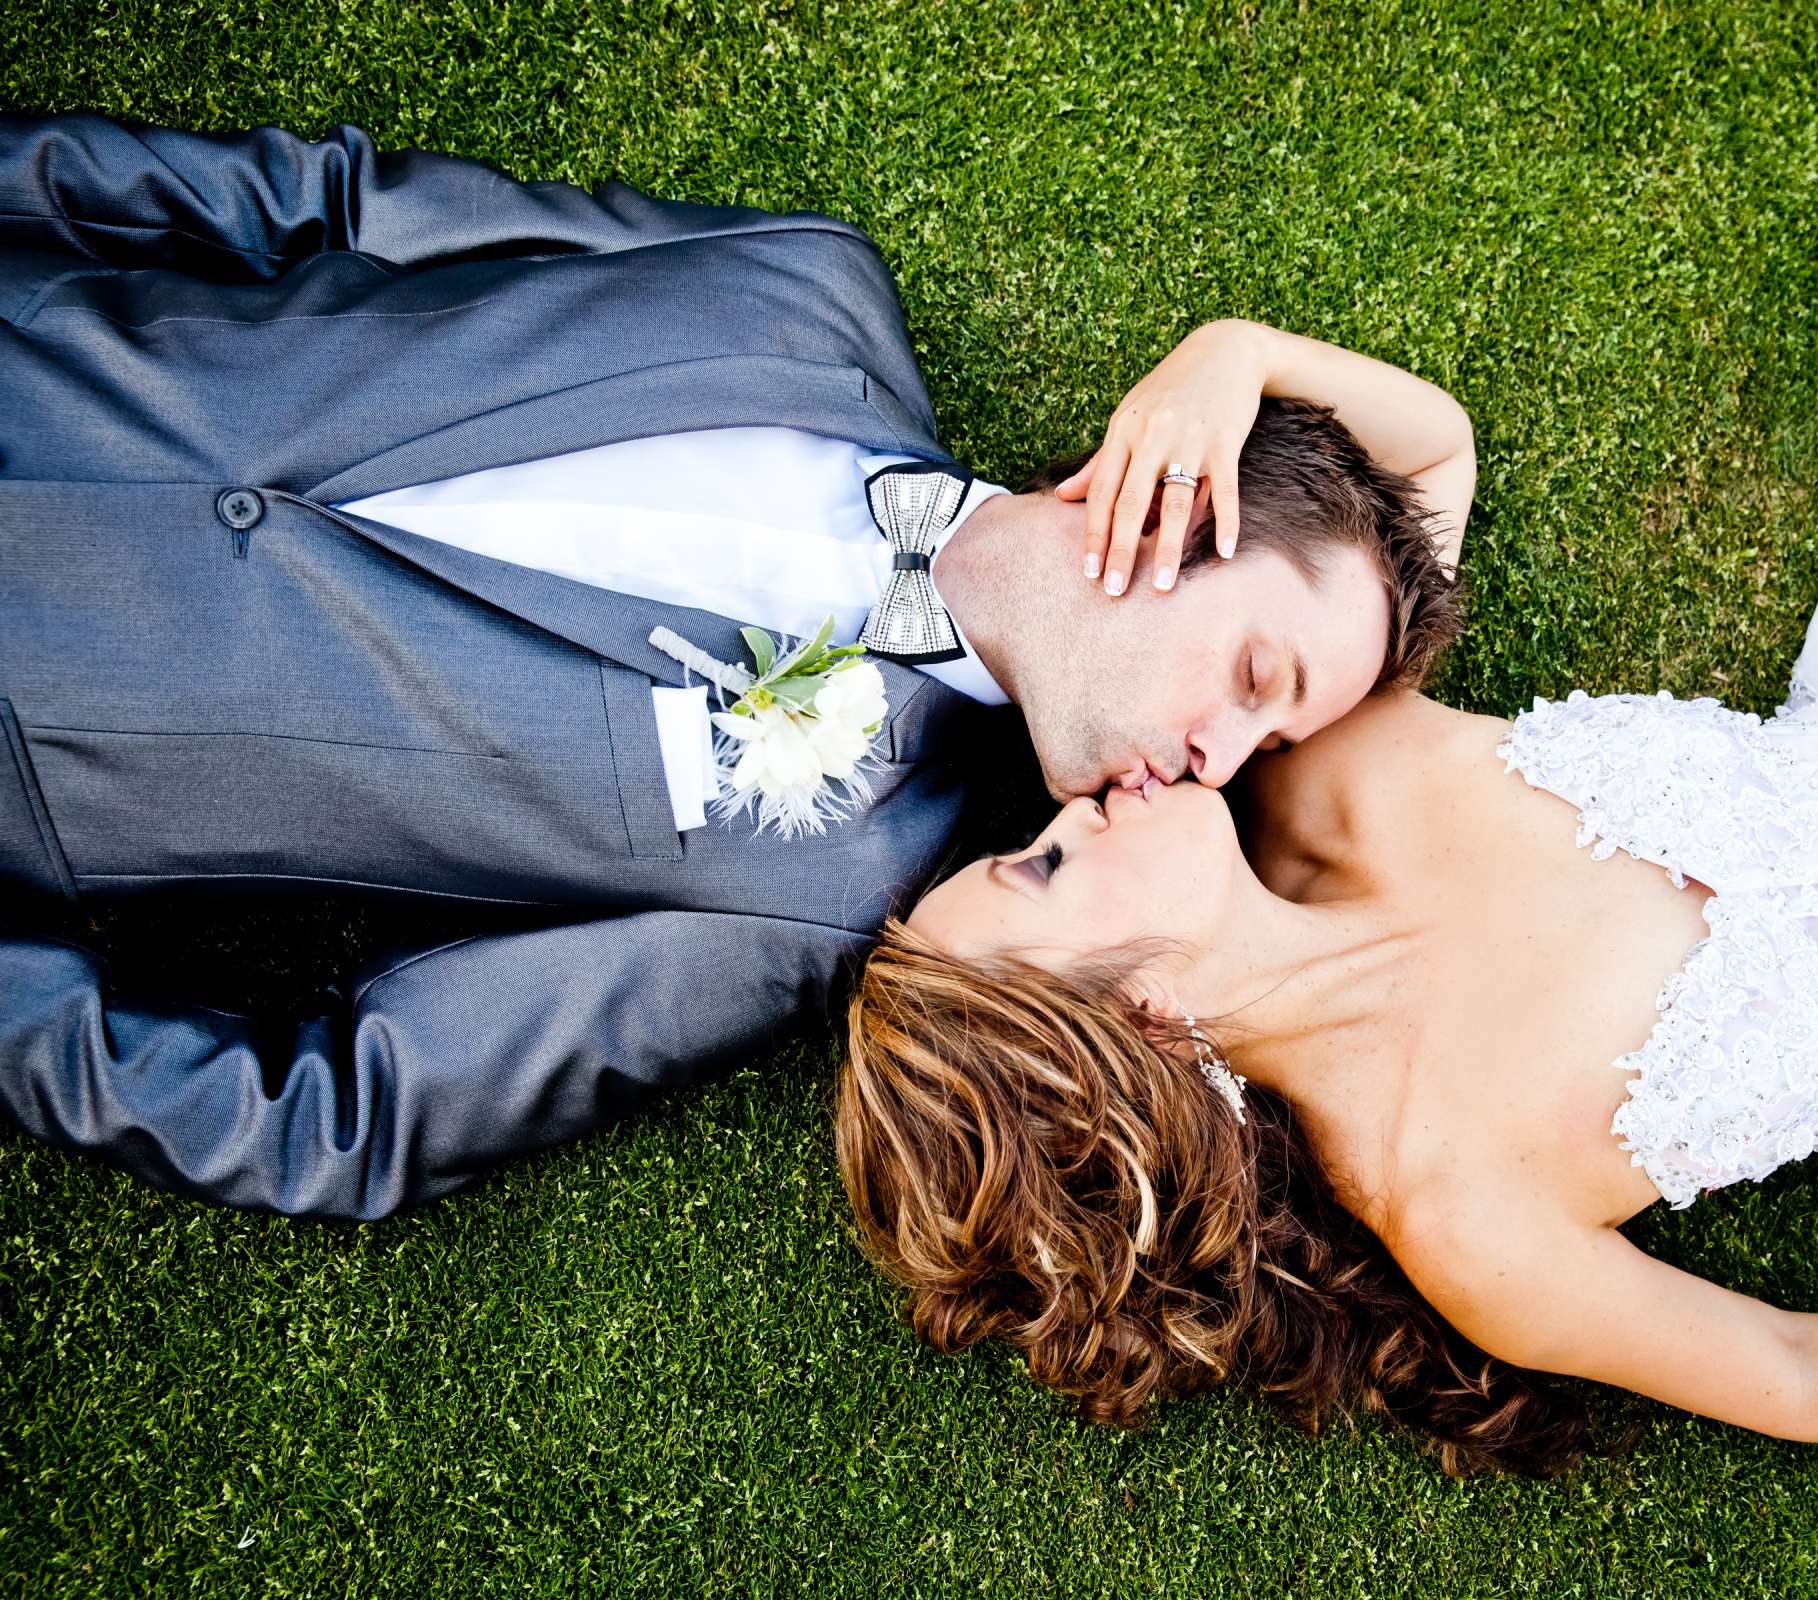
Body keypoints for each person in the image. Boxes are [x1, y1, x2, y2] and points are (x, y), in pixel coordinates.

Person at [837, 0, 1818, 1469]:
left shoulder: (1329, 768)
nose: (1071, 805)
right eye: (1042, 872)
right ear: (1154, 1024)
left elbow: (1428, 460)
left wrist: (1230, 355)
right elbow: (1795, 1372)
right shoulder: (1457, 1200)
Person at [0, 110, 1470, 1219]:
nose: (1222, 767)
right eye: (1260, 681)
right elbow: (323, 208)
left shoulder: (811, 896)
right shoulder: (803, 287)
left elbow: (346, 1122)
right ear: (1163, 495)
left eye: (1264, 752)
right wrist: (1240, 349)